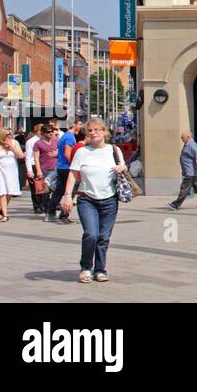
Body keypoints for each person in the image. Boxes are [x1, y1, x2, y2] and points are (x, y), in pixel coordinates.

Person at [58, 118, 130, 283]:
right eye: (90, 130)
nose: (93, 133)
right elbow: (73, 173)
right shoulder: (82, 151)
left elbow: (124, 166)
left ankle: (100, 269)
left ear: (105, 132)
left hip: (110, 199)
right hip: (87, 199)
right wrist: (67, 195)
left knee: (103, 236)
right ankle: (85, 267)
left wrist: (122, 168)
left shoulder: (114, 150)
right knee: (91, 234)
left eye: (97, 129)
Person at [0, 127, 25, 222]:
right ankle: (5, 215)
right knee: (2, 191)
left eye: (11, 133)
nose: (10, 135)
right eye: (8, 134)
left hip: (11, 171)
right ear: (1, 135)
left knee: (10, 191)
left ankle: (3, 208)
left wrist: (12, 147)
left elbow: (20, 156)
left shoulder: (15, 143)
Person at [47, 118, 82, 223]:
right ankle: (64, 215)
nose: (81, 127)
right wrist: (74, 165)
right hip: (67, 168)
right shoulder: (70, 137)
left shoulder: (64, 136)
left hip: (61, 167)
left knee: (59, 191)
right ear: (74, 125)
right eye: (80, 124)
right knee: (70, 192)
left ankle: (50, 213)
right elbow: (67, 153)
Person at [166, 130, 197, 211]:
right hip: (190, 172)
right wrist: (184, 170)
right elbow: (186, 159)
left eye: (182, 137)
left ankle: (175, 205)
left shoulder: (192, 146)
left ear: (188, 137)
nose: (181, 139)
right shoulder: (187, 145)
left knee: (184, 189)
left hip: (191, 173)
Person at [33, 122, 59, 214]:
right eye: (48, 132)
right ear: (43, 133)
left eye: (52, 131)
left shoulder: (56, 140)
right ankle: (48, 210)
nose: (51, 133)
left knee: (57, 190)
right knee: (46, 192)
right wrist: (39, 171)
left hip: (56, 169)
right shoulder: (38, 143)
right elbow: (36, 158)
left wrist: (57, 154)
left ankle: (52, 207)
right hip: (45, 170)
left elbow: (63, 152)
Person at [23, 124, 45, 215]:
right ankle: (37, 206)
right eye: (42, 130)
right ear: (38, 131)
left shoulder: (44, 140)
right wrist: (29, 170)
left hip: (43, 165)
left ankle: (43, 205)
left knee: (43, 187)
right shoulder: (31, 142)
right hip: (33, 164)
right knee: (35, 187)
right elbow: (28, 157)